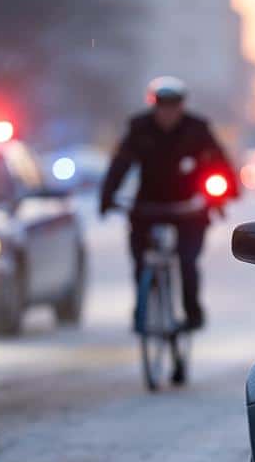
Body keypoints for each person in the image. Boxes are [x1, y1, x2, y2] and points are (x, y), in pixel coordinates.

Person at [99, 77, 236, 331]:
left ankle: (192, 313)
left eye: (173, 105)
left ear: (182, 106)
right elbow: (120, 164)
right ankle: (144, 307)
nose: (168, 112)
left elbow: (219, 162)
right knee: (140, 259)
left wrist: (222, 195)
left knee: (187, 261)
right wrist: (107, 197)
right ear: (154, 106)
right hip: (148, 206)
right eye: (162, 105)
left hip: (189, 208)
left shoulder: (197, 129)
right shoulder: (139, 128)